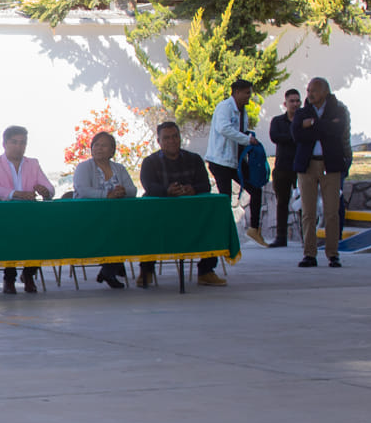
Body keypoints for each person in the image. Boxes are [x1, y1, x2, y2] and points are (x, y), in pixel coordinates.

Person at [137, 122, 224, 287]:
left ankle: (206, 271)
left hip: (192, 215)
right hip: (160, 216)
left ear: (180, 137)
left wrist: (192, 189)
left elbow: (205, 185)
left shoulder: (194, 159)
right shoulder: (150, 162)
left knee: (213, 220)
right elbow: (149, 186)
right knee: (144, 224)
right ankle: (146, 270)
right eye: (166, 138)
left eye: (175, 136)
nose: (172, 141)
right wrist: (167, 191)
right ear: (159, 141)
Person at [0, 124, 53, 295]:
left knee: (41, 235)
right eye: (14, 142)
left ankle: (28, 275)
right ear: (4, 143)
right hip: (1, 217)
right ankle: (9, 278)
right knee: (9, 237)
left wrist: (46, 191)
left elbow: (49, 187)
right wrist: (15, 194)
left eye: (23, 143)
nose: (19, 146)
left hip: (29, 216)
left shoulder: (33, 163)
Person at [292, 76, 352, 268]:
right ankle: (309, 254)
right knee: (308, 212)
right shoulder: (302, 112)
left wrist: (313, 125)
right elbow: (296, 133)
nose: (309, 94)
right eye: (308, 90)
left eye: (314, 91)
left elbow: (337, 130)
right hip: (308, 166)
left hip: (330, 165)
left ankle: (333, 254)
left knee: (331, 212)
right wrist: (321, 126)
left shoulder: (339, 110)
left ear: (325, 92)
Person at [204, 80, 267, 247]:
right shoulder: (224, 107)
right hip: (220, 160)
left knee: (255, 188)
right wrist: (246, 139)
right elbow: (224, 128)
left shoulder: (242, 111)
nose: (249, 96)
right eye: (246, 93)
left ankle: (254, 228)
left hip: (235, 160)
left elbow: (241, 132)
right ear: (236, 92)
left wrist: (249, 140)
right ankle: (223, 234)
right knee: (225, 197)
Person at [71, 131, 137, 289]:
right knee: (111, 231)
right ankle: (111, 269)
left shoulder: (119, 168)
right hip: (88, 217)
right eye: (96, 145)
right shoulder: (83, 167)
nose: (99, 148)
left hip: (116, 217)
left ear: (112, 150)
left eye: (104, 145)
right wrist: (107, 195)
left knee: (129, 229)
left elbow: (132, 190)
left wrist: (122, 192)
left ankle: (109, 270)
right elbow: (83, 190)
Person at [268, 88, 301, 247]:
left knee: (303, 203)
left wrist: (291, 136)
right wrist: (295, 136)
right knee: (282, 203)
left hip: (300, 167)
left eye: (297, 101)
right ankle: (281, 237)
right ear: (285, 103)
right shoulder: (277, 121)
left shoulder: (303, 120)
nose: (295, 104)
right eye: (292, 101)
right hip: (282, 167)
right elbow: (275, 137)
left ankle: (306, 237)